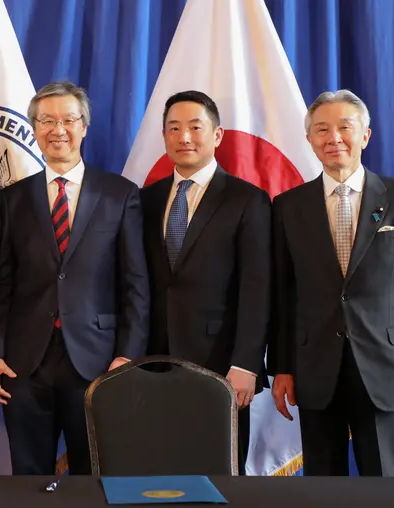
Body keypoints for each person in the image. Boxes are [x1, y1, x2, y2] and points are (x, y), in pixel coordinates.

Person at [270, 90, 394, 476]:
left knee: (386, 485)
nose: (334, 138)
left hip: (384, 365)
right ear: (310, 140)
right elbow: (284, 297)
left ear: (365, 135)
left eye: (344, 127)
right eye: (322, 130)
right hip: (314, 367)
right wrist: (282, 367)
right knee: (322, 485)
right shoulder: (288, 207)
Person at [0, 81, 149, 475]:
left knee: (94, 473)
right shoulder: (11, 199)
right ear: (34, 129)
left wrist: (127, 354)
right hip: (23, 363)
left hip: (98, 359)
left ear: (84, 126)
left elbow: (136, 284)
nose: (58, 129)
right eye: (46, 121)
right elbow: (0, 283)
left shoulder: (120, 194)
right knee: (28, 474)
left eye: (68, 119)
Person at [139, 90, 271, 474]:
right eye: (174, 128)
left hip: (221, 364)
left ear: (217, 135)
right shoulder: (145, 200)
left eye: (195, 127)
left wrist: (247, 363)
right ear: (163, 136)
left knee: (221, 470)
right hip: (154, 361)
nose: (184, 138)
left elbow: (257, 286)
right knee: (158, 467)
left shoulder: (248, 200)